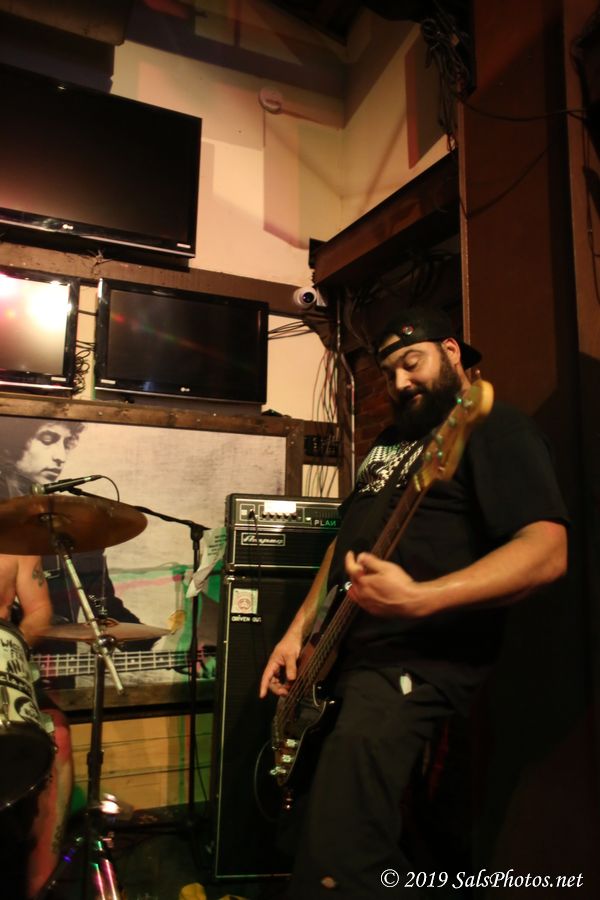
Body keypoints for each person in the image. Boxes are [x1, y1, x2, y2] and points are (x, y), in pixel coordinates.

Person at [259, 305, 568, 899]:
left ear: (451, 351)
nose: (400, 382)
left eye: (412, 362)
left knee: (339, 858)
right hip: (342, 658)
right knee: (309, 835)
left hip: (413, 663)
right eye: (389, 372)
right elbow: (344, 544)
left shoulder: (493, 427)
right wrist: (298, 630)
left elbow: (547, 550)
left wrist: (422, 597)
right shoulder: (391, 442)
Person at [0, 418, 157, 681]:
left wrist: (10, 655)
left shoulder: (70, 536)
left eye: (66, 444)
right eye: (49, 440)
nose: (59, 456)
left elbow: (100, 605)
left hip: (35, 671)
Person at [0, 553, 73, 900]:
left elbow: (40, 610)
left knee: (58, 734)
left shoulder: (17, 539)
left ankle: (39, 887)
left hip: (4, 665)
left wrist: (11, 644)